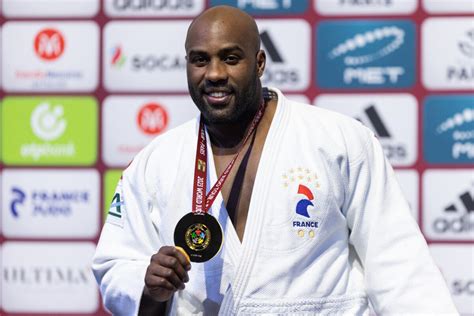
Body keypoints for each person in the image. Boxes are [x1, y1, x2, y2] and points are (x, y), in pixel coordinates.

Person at [92, 5, 458, 316]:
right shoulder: (155, 161)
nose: (215, 74)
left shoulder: (338, 141)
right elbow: (115, 264)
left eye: (231, 58)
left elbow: (400, 266)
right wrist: (148, 283)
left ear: (260, 62)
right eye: (200, 60)